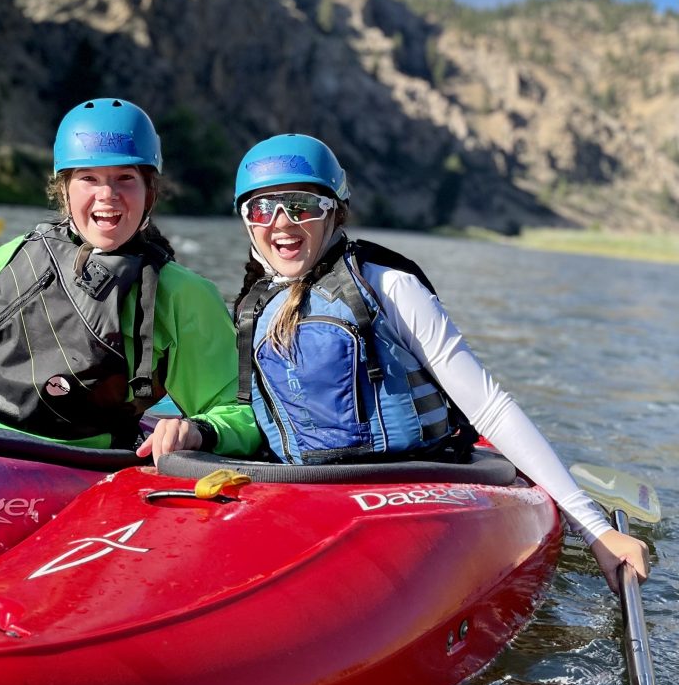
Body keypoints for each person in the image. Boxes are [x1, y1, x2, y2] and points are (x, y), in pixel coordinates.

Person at [229, 132, 649, 593]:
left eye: (301, 204)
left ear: (335, 210)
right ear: (247, 221)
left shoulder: (388, 287)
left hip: (412, 484)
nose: (281, 222)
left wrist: (594, 529)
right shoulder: (255, 307)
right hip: (311, 491)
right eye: (261, 209)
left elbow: (488, 406)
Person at [0, 98, 259, 462]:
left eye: (125, 179)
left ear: (150, 192)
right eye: (88, 178)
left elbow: (237, 413)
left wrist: (201, 431)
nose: (107, 195)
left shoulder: (182, 294)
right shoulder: (14, 255)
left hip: (75, 465)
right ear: (64, 191)